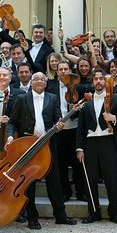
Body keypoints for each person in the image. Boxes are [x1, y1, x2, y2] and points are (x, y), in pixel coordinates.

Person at [8, 72, 77, 229]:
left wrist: (59, 126)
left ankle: (60, 215)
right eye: (36, 79)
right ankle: (32, 218)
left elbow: (57, 118)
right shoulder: (21, 99)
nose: (39, 81)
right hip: (28, 145)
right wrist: (10, 137)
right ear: (31, 82)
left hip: (47, 144)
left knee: (54, 181)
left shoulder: (52, 98)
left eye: (42, 79)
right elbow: (12, 122)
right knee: (29, 182)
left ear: (46, 83)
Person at [76, 68, 117, 224]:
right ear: (92, 82)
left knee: (111, 180)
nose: (98, 81)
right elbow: (81, 128)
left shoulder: (116, 99)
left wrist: (114, 118)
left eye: (101, 78)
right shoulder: (86, 103)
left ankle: (114, 212)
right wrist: (79, 148)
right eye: (95, 79)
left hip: (108, 142)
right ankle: (94, 212)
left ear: (106, 81)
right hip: (90, 144)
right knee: (90, 180)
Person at [47, 60, 87, 203]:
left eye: (66, 69)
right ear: (57, 72)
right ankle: (65, 191)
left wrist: (76, 110)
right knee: (61, 164)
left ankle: (81, 192)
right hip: (58, 131)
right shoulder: (51, 88)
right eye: (61, 69)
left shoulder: (79, 87)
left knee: (78, 163)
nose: (63, 71)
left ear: (70, 71)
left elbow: (85, 109)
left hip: (75, 129)